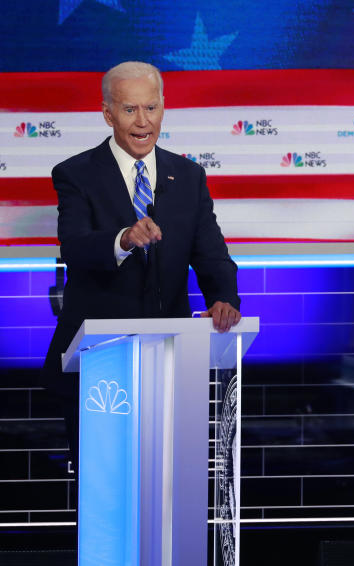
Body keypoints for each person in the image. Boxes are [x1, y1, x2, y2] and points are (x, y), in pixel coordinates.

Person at [42, 61, 242, 477]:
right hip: (98, 362)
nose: (142, 121)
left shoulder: (187, 176)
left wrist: (223, 298)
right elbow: (74, 247)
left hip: (170, 359)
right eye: (130, 110)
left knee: (168, 479)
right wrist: (124, 239)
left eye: (151, 108)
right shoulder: (75, 174)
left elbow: (211, 254)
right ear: (108, 113)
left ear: (164, 108)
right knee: (105, 482)